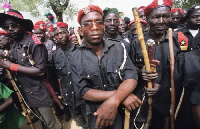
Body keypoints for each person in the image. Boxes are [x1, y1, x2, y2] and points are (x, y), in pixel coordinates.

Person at [70, 4, 140, 129]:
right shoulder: (74, 56)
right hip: (96, 115)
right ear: (80, 30)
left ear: (103, 26)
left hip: (124, 113)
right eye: (87, 24)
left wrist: (114, 101)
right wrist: (121, 97)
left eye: (99, 22)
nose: (95, 27)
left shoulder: (119, 47)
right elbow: (84, 91)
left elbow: (131, 77)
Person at [0, 9, 61, 129]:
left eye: (13, 25)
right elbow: (21, 64)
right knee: (43, 121)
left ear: (23, 25)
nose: (10, 29)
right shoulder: (17, 44)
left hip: (40, 94)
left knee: (52, 125)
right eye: (7, 27)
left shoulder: (34, 43)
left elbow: (40, 70)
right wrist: (7, 59)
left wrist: (10, 65)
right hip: (26, 94)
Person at [129, 0, 182, 128]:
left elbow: (181, 73)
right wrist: (140, 72)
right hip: (142, 100)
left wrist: (162, 88)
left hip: (168, 102)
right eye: (156, 17)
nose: (161, 21)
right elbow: (129, 68)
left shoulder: (178, 40)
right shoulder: (137, 42)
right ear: (147, 18)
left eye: (165, 16)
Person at [52, 22, 87, 128]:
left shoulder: (81, 50)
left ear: (68, 33)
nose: (60, 36)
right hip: (69, 96)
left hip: (84, 94)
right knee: (80, 121)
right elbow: (59, 77)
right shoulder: (55, 55)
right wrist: (62, 93)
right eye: (56, 35)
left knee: (92, 121)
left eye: (62, 33)